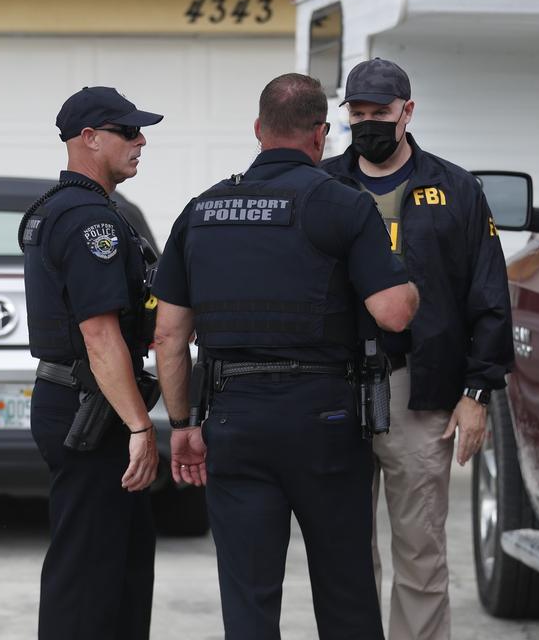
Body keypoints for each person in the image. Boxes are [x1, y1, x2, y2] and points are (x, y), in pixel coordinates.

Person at [152, 73, 420, 640]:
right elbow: (395, 313)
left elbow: (169, 338)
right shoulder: (344, 207)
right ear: (321, 135)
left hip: (233, 418)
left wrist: (182, 426)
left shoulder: (201, 212)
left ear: (257, 130)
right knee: (345, 587)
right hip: (323, 419)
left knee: (248, 597)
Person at [320, 58, 516, 640]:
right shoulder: (324, 184)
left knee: (421, 557)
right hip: (337, 386)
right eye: (357, 114)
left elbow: (488, 295)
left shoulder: (455, 189)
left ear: (408, 111)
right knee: (346, 558)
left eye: (380, 112)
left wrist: (477, 392)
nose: (368, 123)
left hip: (418, 389)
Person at [18, 86, 164, 640]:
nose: (141, 140)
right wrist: (139, 426)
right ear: (90, 139)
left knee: (121, 567)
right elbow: (99, 335)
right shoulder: (88, 220)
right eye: (129, 132)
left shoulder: (72, 208)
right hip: (94, 411)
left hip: (85, 403)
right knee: (88, 576)